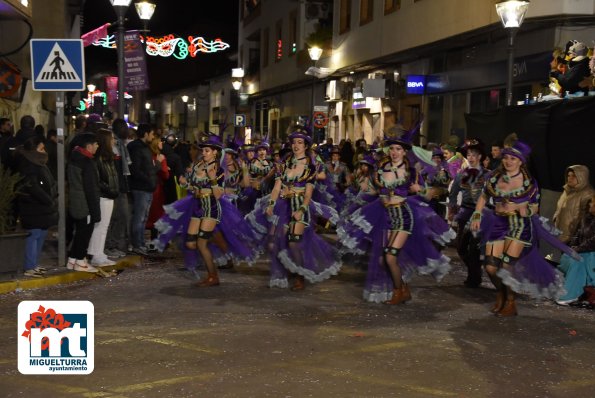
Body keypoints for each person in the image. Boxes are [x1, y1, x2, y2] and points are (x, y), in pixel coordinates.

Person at [338, 124, 454, 303]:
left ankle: (398, 291)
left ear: (405, 151)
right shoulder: (381, 169)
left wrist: (420, 189)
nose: (394, 152)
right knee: (382, 261)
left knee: (390, 256)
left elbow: (430, 193)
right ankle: (404, 289)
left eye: (398, 149)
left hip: (403, 216)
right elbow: (375, 191)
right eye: (391, 148)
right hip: (384, 216)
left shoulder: (411, 171)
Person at [470, 139, 576, 316]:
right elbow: (483, 196)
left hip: (519, 225)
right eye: (506, 158)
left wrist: (520, 208)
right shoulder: (494, 177)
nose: (508, 161)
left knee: (505, 267)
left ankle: (510, 301)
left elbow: (534, 208)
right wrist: (477, 214)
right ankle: (500, 293)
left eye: (513, 159)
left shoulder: (529, 183)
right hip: (497, 223)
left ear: (520, 162)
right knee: (490, 267)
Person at [248, 126, 342, 290]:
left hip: (301, 206)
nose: (296, 145)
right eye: (294, 142)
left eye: (300, 142)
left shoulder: (310, 167)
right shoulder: (284, 165)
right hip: (283, 206)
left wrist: (302, 210)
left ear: (306, 146)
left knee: (293, 242)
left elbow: (308, 194)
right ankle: (291, 267)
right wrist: (271, 203)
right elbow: (277, 187)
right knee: (273, 243)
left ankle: (300, 275)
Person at [15, 134, 58, 277]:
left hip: (42, 206)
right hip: (33, 206)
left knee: (41, 233)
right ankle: (29, 266)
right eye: (41, 148)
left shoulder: (39, 161)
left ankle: (34, 264)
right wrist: (47, 199)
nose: (44, 150)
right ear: (34, 149)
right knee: (34, 234)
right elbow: (32, 187)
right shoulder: (29, 164)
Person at [448, 140, 489, 288]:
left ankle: (474, 276)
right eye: (469, 154)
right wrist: (451, 211)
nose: (471, 157)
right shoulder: (461, 175)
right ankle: (475, 271)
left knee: (474, 247)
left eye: (474, 155)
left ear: (480, 157)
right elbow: (453, 195)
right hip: (465, 213)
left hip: (481, 214)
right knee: (460, 247)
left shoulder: (488, 175)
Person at [67, 133, 101, 272]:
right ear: (88, 146)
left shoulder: (73, 158)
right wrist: (95, 212)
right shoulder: (87, 162)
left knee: (79, 232)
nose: (97, 146)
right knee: (84, 234)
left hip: (75, 201)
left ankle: (72, 260)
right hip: (85, 204)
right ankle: (80, 261)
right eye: (95, 144)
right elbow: (91, 189)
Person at [87, 129, 120, 267]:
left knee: (104, 226)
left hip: (109, 195)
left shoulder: (108, 158)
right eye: (111, 138)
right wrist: (108, 188)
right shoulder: (98, 159)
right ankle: (95, 254)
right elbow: (97, 179)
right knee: (100, 226)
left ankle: (99, 253)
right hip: (103, 196)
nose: (114, 141)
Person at [127, 123, 160, 255]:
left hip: (147, 187)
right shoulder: (136, 148)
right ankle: (137, 244)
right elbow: (136, 169)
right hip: (141, 187)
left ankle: (140, 242)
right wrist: (151, 173)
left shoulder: (143, 147)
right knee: (139, 217)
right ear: (145, 134)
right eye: (151, 134)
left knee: (143, 217)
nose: (152, 137)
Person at [556, 194, 595, 305]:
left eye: (592, 202)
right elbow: (576, 235)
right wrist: (571, 247)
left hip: (590, 254)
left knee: (579, 261)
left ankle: (571, 295)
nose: (590, 204)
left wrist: (577, 250)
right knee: (570, 258)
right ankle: (580, 293)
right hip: (582, 251)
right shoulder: (586, 218)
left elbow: (592, 242)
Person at [104, 118, 131, 258]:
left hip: (121, 187)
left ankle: (112, 244)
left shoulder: (122, 146)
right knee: (111, 217)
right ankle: (107, 246)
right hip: (113, 187)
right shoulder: (111, 144)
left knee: (123, 216)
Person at [553, 165, 594, 244]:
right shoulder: (567, 191)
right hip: (562, 234)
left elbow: (587, 219)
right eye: (568, 175)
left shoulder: (588, 194)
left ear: (582, 177)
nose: (570, 178)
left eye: (574, 176)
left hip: (575, 239)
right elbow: (560, 209)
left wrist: (576, 236)